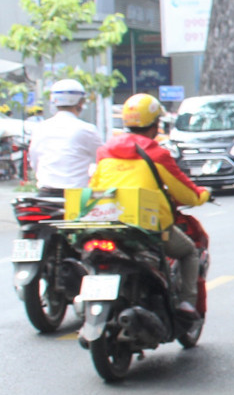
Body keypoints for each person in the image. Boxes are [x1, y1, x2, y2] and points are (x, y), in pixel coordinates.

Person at [89, 94, 211, 316]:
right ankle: (186, 303)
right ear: (155, 124)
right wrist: (203, 194)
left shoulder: (105, 150)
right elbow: (187, 194)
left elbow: (94, 185)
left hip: (106, 222)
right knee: (189, 252)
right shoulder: (156, 153)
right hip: (147, 227)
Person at [28, 78, 100, 194]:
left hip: (45, 194)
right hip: (76, 196)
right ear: (80, 103)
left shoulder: (40, 128)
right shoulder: (86, 129)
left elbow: (35, 162)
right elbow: (103, 158)